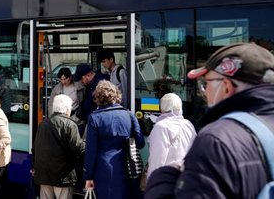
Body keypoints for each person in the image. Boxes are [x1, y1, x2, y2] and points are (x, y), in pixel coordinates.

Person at [145, 43, 274, 198]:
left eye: (206, 83)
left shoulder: (216, 140)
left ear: (226, 87)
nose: (204, 92)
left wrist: (163, 178)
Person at [84, 80, 145, 199]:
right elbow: (140, 142)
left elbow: (91, 151)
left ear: (98, 97)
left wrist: (88, 176)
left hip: (102, 169)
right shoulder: (129, 115)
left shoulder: (94, 118)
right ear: (116, 95)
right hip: (127, 168)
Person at [33, 94, 85, 199]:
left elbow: (35, 148)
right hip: (62, 176)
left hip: (44, 175)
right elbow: (77, 148)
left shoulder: (43, 124)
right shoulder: (70, 124)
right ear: (67, 109)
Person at [146, 93, 196, 180]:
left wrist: (151, 181)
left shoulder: (161, 127)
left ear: (162, 109)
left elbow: (157, 158)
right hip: (186, 178)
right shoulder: (188, 124)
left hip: (168, 179)